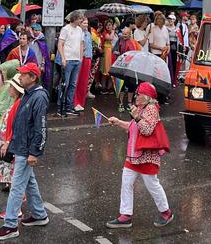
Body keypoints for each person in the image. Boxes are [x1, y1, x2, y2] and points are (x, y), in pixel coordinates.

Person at [0, 63, 50, 241]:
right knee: (29, 183)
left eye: (24, 75)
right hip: (21, 147)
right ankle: (40, 215)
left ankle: (10, 225)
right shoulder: (28, 94)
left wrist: (35, 152)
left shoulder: (38, 97)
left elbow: (40, 128)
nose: (20, 77)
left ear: (33, 77)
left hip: (27, 149)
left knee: (17, 187)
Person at [105, 82, 174, 229]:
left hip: (146, 156)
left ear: (148, 97)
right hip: (133, 155)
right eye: (136, 94)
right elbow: (133, 127)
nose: (136, 97)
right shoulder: (141, 108)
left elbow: (147, 129)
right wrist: (118, 122)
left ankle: (166, 212)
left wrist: (136, 116)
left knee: (152, 185)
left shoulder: (151, 109)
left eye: (139, 94)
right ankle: (125, 215)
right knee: (126, 183)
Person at [0, 73, 25, 193]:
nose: (9, 89)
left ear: (16, 90)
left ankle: (9, 183)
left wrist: (7, 141)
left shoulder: (18, 105)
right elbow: (8, 121)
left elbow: (15, 125)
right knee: (6, 160)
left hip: (9, 139)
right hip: (5, 137)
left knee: (9, 161)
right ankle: (5, 180)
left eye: (11, 87)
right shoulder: (14, 103)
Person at [57, 12, 85, 117]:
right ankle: (61, 107)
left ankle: (69, 106)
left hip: (77, 59)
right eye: (80, 19)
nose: (81, 21)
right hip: (68, 59)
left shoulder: (80, 30)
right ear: (75, 19)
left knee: (72, 84)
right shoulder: (66, 29)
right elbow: (60, 43)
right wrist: (63, 58)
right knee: (65, 84)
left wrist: (81, 57)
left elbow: (81, 44)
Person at [73, 19, 94, 112]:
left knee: (84, 81)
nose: (86, 25)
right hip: (81, 57)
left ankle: (81, 102)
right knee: (77, 81)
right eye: (84, 23)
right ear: (80, 23)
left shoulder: (88, 33)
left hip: (88, 58)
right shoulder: (78, 33)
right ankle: (75, 102)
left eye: (87, 23)